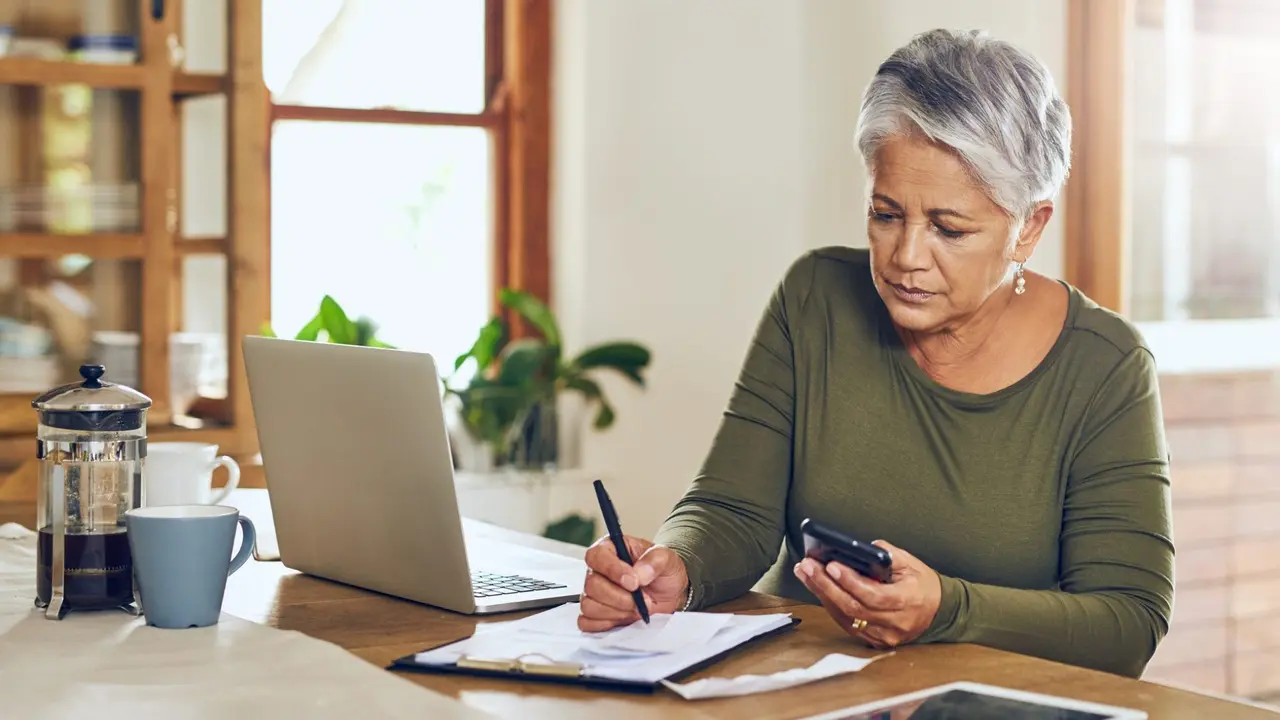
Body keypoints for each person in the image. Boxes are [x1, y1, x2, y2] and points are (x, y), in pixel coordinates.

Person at [577, 28, 1174, 679]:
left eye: (949, 228)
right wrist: (679, 570)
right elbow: (732, 510)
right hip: (799, 691)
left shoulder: (1107, 365)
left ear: (1029, 226)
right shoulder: (816, 297)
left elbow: (1127, 622)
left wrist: (946, 608)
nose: (907, 257)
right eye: (887, 215)